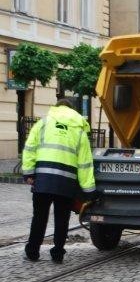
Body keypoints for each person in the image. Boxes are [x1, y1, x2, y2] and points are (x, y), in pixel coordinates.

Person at [21, 97, 96, 263]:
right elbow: (84, 162)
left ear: (56, 108)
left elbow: (29, 149)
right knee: (62, 219)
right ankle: (57, 254)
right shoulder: (79, 130)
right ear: (72, 111)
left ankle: (33, 252)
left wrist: (29, 174)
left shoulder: (43, 123)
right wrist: (89, 190)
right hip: (66, 182)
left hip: (43, 179)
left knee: (39, 217)